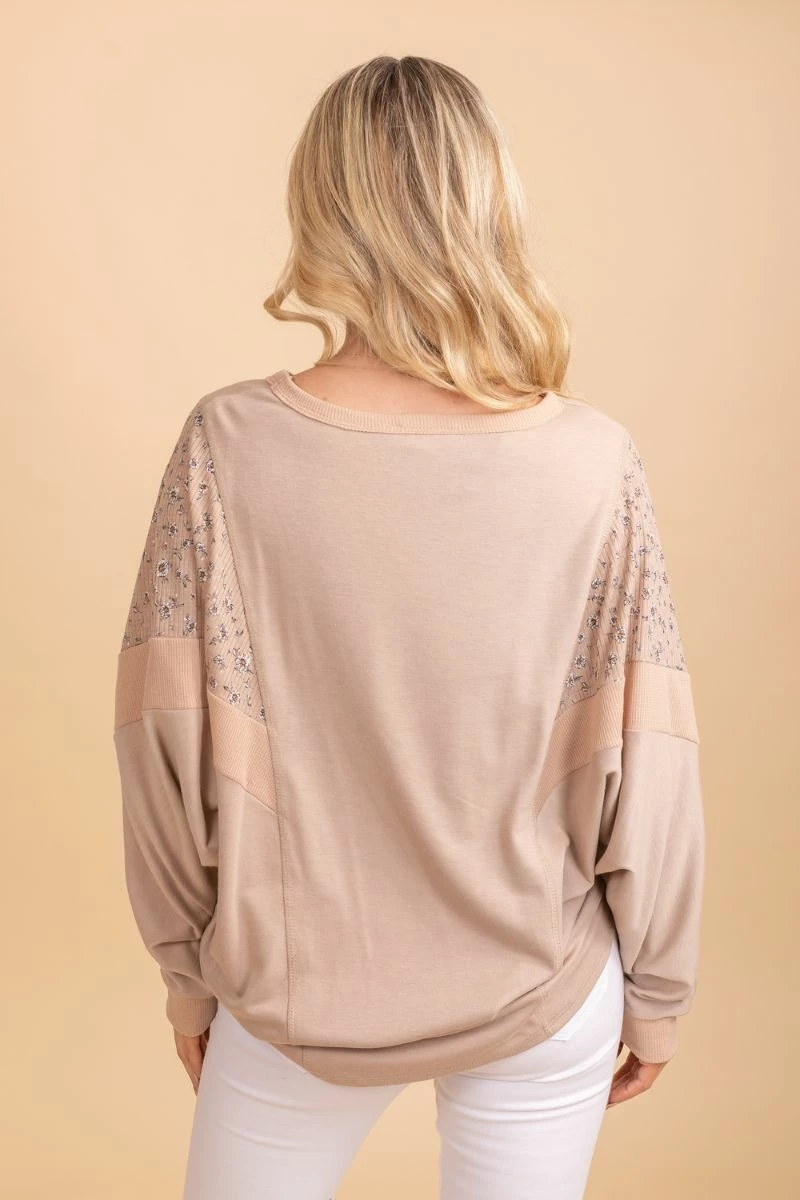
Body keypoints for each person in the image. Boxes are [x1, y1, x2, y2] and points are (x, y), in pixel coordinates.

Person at [112, 54, 705, 1200]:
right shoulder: (591, 462)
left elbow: (160, 745)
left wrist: (187, 975)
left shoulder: (225, 448)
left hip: (291, 994)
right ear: (489, 204)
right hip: (541, 983)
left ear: (319, 204)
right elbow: (650, 759)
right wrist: (658, 993)